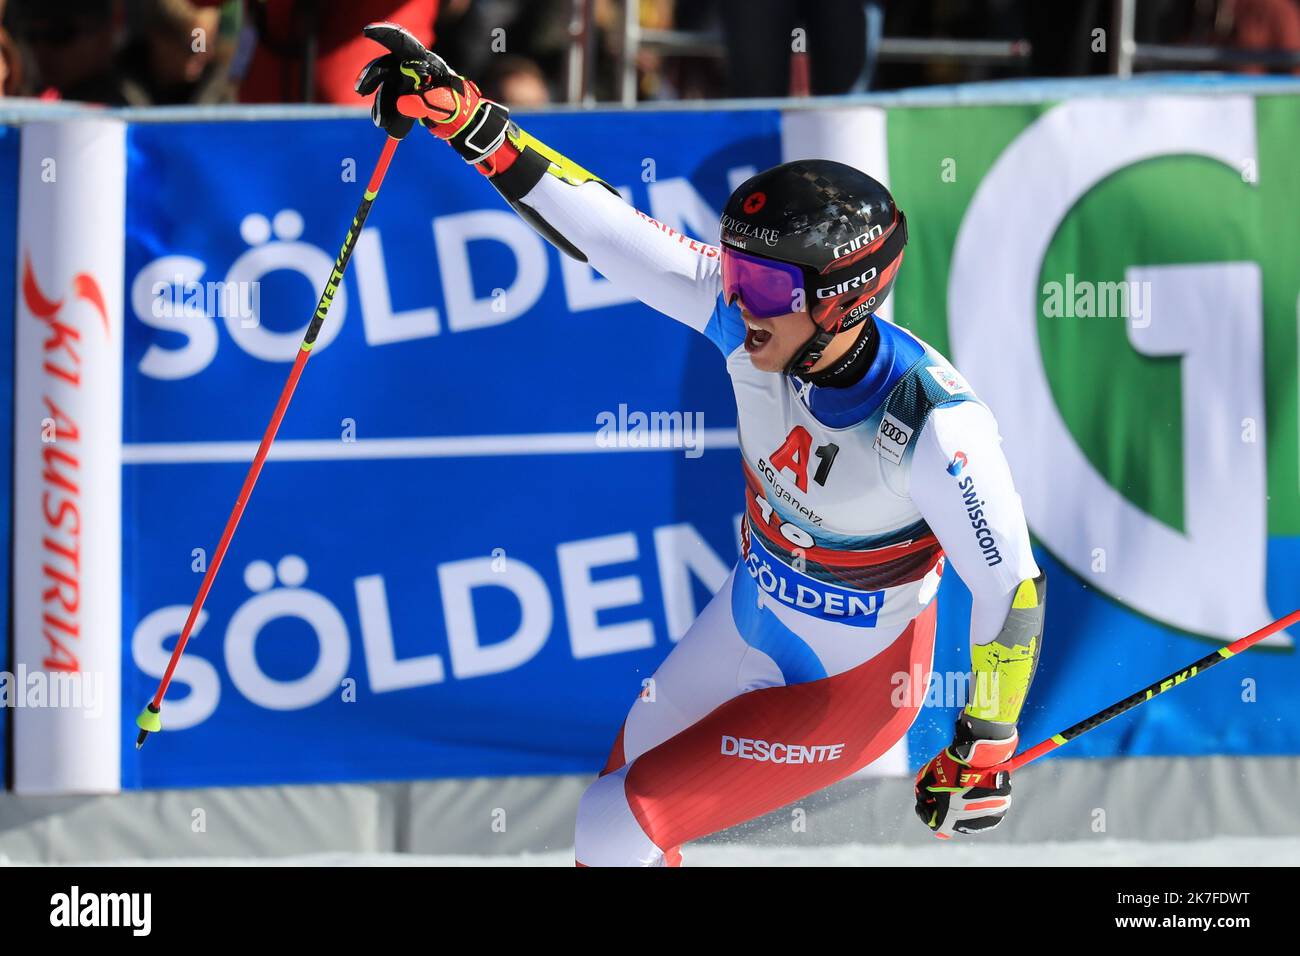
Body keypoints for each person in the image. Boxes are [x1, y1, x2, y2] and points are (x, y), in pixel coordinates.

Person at [355, 22, 1047, 865]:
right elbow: (606, 231)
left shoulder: (933, 425)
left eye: (762, 283)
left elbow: (1011, 589)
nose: (736, 297)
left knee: (618, 818)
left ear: (841, 300)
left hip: (852, 690)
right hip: (748, 616)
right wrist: (470, 122)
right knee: (615, 810)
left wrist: (985, 740)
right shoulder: (745, 320)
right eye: (734, 268)